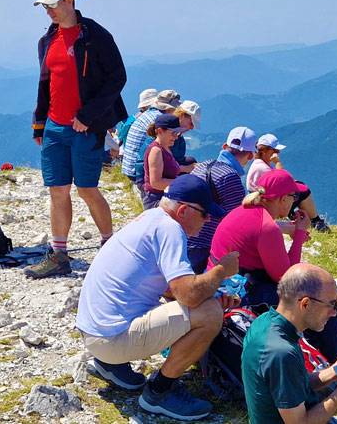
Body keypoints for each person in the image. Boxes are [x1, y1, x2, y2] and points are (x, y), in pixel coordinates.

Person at [76, 174, 239, 420]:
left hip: (94, 332)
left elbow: (168, 289)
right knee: (209, 314)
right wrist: (221, 270)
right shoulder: (171, 229)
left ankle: (110, 365)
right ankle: (159, 393)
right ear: (184, 210)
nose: (208, 220)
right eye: (205, 214)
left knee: (205, 304)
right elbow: (188, 294)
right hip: (111, 339)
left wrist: (210, 293)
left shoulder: (151, 217)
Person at [27, 0, 128, 279]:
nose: (48, 11)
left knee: (87, 189)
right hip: (55, 126)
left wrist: (88, 115)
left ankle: (110, 249)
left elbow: (117, 78)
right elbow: (45, 83)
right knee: (57, 190)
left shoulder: (95, 35)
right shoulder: (47, 40)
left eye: (52, 5)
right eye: (44, 6)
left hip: (86, 127)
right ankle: (59, 255)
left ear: (69, 1)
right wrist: (38, 123)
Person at [209, 169, 337, 362]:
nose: (295, 201)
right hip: (241, 296)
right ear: (282, 199)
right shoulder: (267, 226)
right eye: (293, 196)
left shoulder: (245, 209)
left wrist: (287, 228)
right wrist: (299, 233)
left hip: (223, 287)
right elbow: (285, 277)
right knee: (320, 299)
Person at [242, 263, 337, 424]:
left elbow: (295, 384)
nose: (333, 313)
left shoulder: (265, 322)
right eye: (330, 304)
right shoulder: (281, 353)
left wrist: (336, 370)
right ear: (305, 303)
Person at [186, 126, 257, 273]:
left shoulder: (201, 166)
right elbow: (238, 221)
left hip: (184, 238)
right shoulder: (231, 178)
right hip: (205, 246)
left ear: (225, 147)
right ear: (250, 156)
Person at [248, 133, 329, 231]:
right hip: (269, 204)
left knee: (300, 185)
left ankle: (311, 219)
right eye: (275, 150)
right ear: (264, 151)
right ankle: (315, 222)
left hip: (266, 201)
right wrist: (278, 163)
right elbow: (281, 182)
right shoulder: (262, 167)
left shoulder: (260, 164)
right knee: (303, 191)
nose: (278, 153)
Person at [121, 89, 180, 187]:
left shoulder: (149, 114)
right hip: (137, 172)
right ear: (170, 109)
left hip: (129, 168)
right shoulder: (160, 120)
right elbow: (159, 148)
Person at [141, 114, 187, 209]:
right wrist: (182, 183)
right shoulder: (156, 151)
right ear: (160, 131)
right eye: (173, 133)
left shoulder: (166, 148)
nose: (176, 137)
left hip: (165, 195)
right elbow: (156, 183)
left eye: (177, 133)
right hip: (156, 199)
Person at [170, 100, 201, 169]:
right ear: (181, 115)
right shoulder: (167, 135)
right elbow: (164, 165)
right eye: (191, 123)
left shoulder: (179, 136)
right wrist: (186, 168)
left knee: (191, 160)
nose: (192, 128)